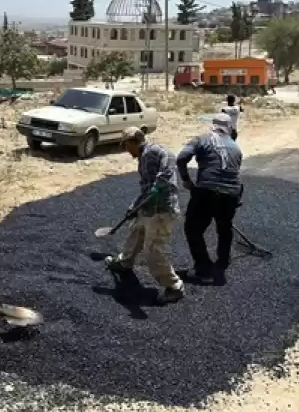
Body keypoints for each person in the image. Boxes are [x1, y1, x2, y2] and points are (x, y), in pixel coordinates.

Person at [104, 127, 185, 304]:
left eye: (126, 145)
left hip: (161, 209)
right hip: (150, 206)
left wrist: (161, 181)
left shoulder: (151, 153)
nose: (126, 150)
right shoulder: (146, 155)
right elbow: (147, 188)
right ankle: (125, 262)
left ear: (132, 142)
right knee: (136, 230)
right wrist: (134, 206)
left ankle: (174, 286)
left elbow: (169, 159)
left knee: (152, 251)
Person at [176, 113, 243, 285]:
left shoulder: (201, 139)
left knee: (193, 228)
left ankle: (203, 268)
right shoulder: (236, 147)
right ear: (230, 129)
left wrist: (186, 180)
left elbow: (182, 157)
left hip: (206, 191)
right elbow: (235, 174)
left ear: (213, 126)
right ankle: (222, 262)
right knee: (224, 228)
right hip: (231, 194)